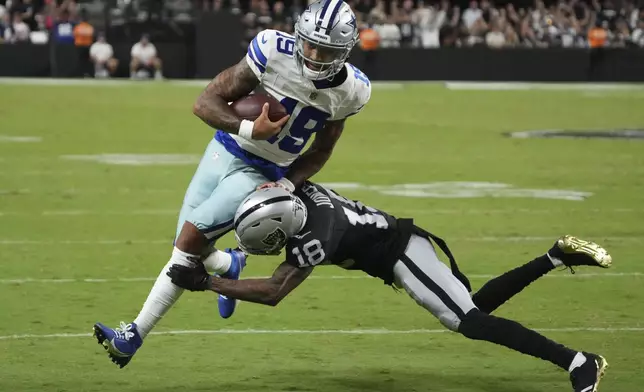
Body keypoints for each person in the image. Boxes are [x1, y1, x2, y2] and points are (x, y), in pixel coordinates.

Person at [93, 0, 370, 369]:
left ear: (346, 50)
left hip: (262, 174)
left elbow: (321, 151)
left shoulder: (351, 91)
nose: (315, 55)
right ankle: (229, 263)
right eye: (310, 44)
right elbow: (205, 101)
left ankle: (132, 336)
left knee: (188, 242)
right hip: (223, 149)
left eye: (327, 50)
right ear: (298, 35)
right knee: (185, 242)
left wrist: (286, 183)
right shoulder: (273, 49)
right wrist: (246, 128)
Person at [167, 184, 610, 392]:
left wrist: (208, 282)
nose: (273, 247)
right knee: (472, 307)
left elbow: (275, 291)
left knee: (469, 321)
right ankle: (556, 255)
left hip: (401, 255)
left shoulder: (318, 237)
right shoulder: (297, 193)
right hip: (400, 242)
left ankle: (578, 361)